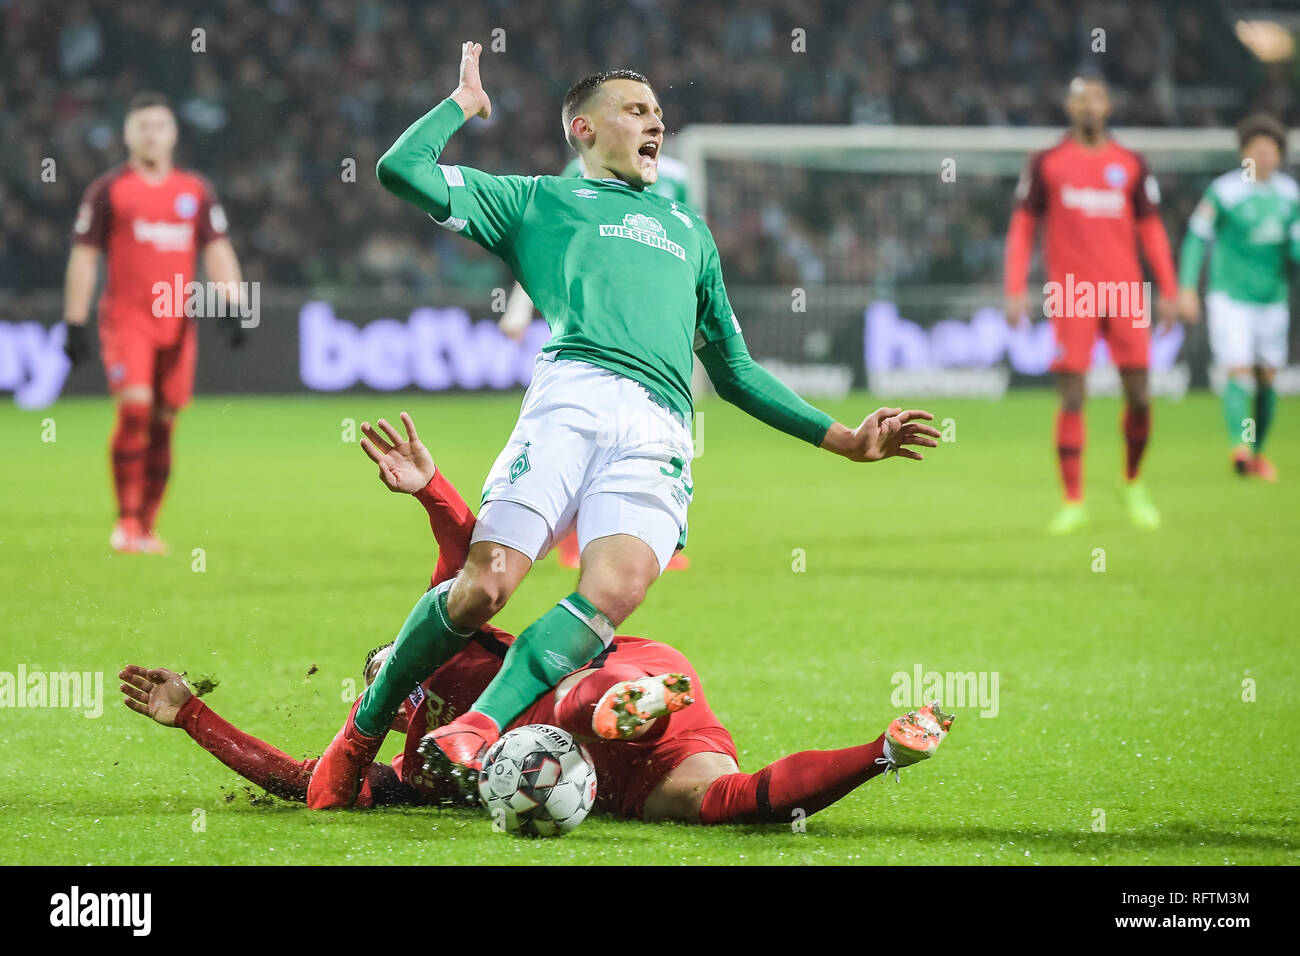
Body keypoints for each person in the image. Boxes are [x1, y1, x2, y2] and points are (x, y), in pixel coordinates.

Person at [309, 42, 940, 808]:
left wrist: (841, 439)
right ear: (583, 128)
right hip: (572, 396)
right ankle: (360, 736)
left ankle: (475, 729)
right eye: (637, 110)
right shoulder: (536, 200)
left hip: (661, 425)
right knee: (485, 587)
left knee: (612, 592)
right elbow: (399, 171)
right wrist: (462, 107)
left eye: (659, 115)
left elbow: (734, 369)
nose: (656, 125)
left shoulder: (689, 232)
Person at [118, 410, 955, 823]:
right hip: (626, 774)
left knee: (564, 696)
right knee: (729, 806)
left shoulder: (456, 654)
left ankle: (622, 703)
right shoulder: (418, 772)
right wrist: (190, 713)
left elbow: (465, 568)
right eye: (384, 679)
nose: (389, 677)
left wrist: (433, 490)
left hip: (615, 671)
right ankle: (881, 753)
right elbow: (304, 778)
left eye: (389, 666)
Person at [62, 92, 245, 554]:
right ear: (127, 133)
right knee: (135, 410)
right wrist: (74, 320)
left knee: (164, 423)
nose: (150, 135)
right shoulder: (109, 190)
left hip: (179, 321)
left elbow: (217, 249)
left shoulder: (194, 190)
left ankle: (146, 526)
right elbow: (84, 257)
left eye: (159, 126)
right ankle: (125, 522)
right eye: (142, 126)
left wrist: (235, 304)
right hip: (128, 321)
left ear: (172, 134)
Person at [498, 151, 692, 571]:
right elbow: (545, 243)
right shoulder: (578, 174)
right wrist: (518, 309)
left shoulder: (677, 178)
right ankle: (568, 538)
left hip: (649, 325)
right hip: (590, 320)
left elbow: (685, 241)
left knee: (652, 436)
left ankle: (651, 538)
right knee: (581, 432)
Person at [1003, 74, 1178, 534]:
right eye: (1080, 98)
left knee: (1139, 395)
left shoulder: (1131, 164)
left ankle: (1132, 481)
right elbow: (1023, 227)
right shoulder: (1047, 163)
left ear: (1108, 106)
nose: (1089, 106)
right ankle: (1073, 500)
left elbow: (1152, 231)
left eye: (1097, 98)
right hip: (1071, 293)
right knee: (1072, 395)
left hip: (1125, 292)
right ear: (1069, 106)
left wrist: (1170, 290)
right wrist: (1014, 286)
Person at [1178, 113, 1297, 481]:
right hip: (1230, 298)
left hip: (1272, 299)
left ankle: (1258, 452)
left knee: (1266, 379)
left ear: (1280, 155)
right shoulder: (1225, 191)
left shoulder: (1290, 196)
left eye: (1271, 150)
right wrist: (1186, 287)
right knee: (1239, 371)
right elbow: (1197, 237)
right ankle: (1240, 448)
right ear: (1243, 153)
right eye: (1256, 149)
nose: (1264, 156)